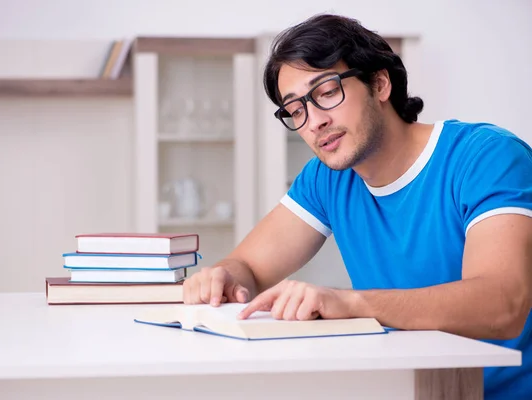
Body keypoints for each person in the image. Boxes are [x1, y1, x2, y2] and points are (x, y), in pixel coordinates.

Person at [182, 13, 532, 399]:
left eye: (327, 92)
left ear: (379, 84)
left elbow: (503, 305)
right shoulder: (327, 178)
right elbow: (247, 267)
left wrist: (349, 302)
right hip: (407, 388)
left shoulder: (485, 157)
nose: (313, 121)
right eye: (296, 110)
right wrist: (223, 276)